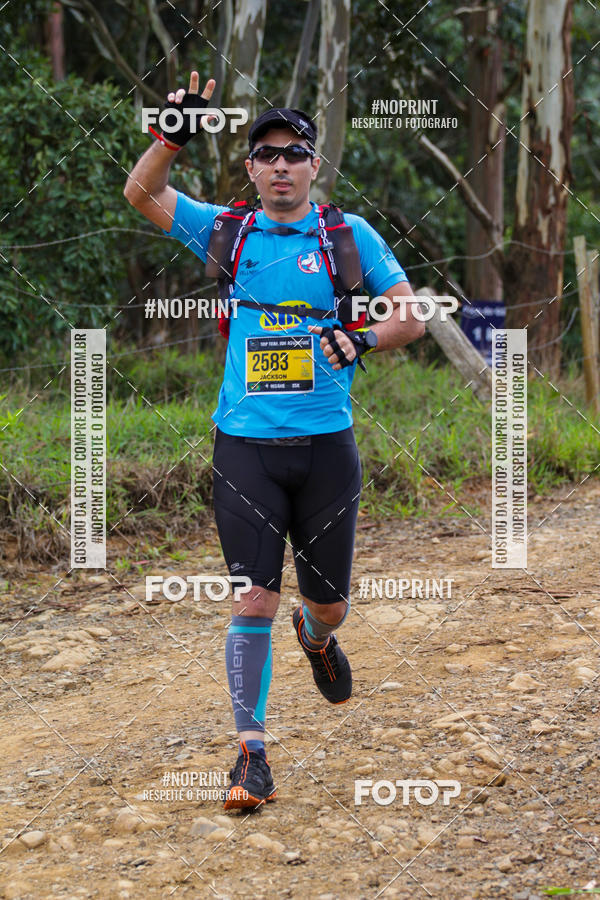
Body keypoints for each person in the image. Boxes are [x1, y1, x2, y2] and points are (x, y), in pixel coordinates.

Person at [124, 72, 424, 810]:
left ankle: (316, 638)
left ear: (314, 165)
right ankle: (250, 756)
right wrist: (169, 137)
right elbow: (141, 193)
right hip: (245, 449)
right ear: (252, 169)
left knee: (328, 606)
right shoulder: (226, 227)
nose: (282, 164)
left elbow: (412, 315)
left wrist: (364, 338)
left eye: (295, 152)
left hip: (328, 450)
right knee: (251, 599)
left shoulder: (348, 238)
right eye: (268, 154)